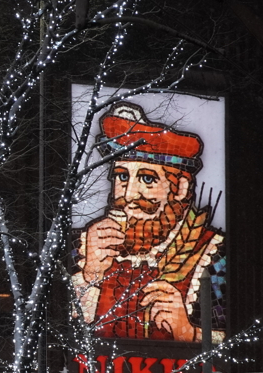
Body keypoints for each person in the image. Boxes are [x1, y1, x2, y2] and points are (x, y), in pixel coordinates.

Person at [71, 101, 226, 342]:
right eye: (122, 176)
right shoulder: (83, 247)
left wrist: (190, 332)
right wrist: (89, 276)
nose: (129, 194)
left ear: (181, 188)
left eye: (147, 179)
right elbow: (54, 337)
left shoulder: (215, 255)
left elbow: (246, 346)